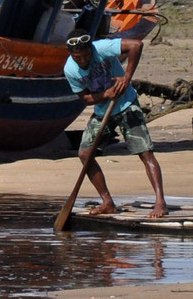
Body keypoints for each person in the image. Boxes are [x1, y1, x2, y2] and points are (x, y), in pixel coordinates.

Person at [64, 31, 168, 218]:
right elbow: (86, 98)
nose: (83, 60)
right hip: (103, 110)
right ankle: (107, 202)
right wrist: (106, 95)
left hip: (127, 104)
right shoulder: (70, 69)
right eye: (77, 57)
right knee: (85, 154)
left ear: (91, 49)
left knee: (145, 152)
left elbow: (136, 45)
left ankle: (160, 202)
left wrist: (126, 78)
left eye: (86, 55)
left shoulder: (102, 48)